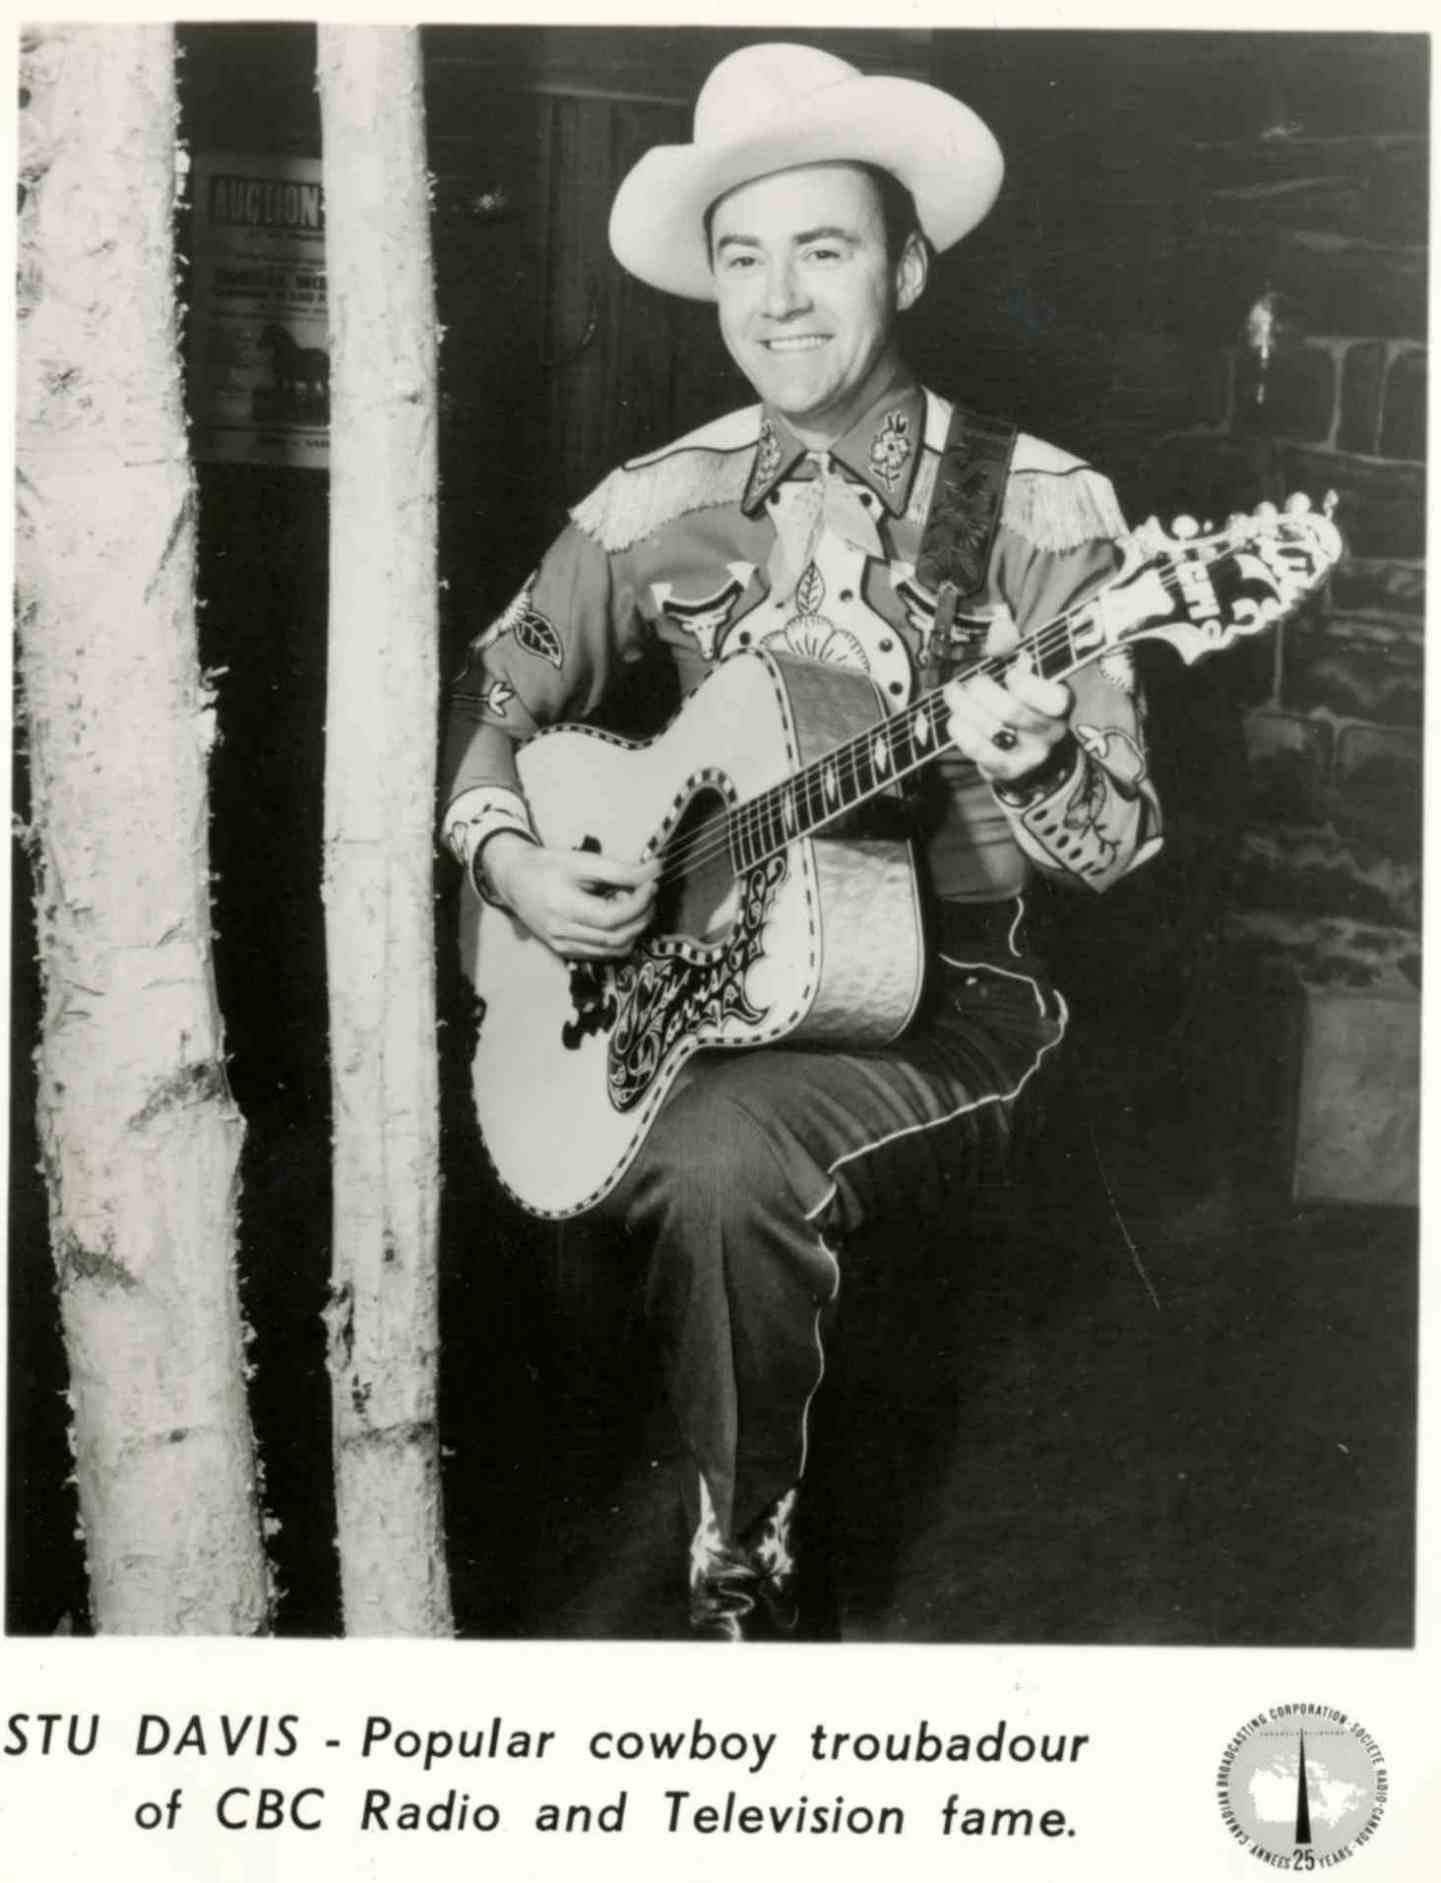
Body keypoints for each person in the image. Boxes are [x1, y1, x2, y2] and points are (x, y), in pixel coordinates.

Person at [441, 42, 1162, 1640]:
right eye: (741, 260)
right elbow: (499, 693)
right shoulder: (652, 501)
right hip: (708, 969)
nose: (778, 301)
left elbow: (1112, 847)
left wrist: (1035, 759)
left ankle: (740, 1565)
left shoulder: (1035, 506)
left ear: (904, 264)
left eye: (822, 251)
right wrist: (512, 862)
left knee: (715, 1160)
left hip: (956, 993)